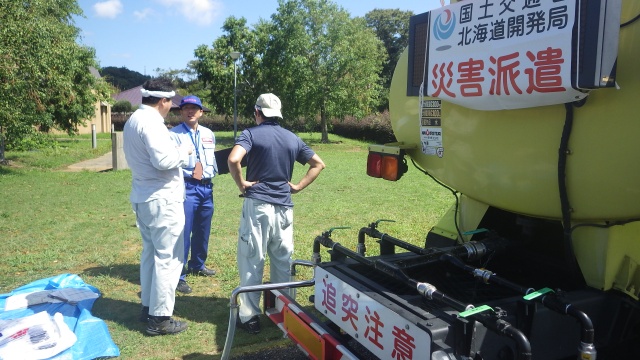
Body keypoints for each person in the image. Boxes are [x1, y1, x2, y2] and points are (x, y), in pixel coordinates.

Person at [227, 93, 326, 334]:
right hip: (284, 207)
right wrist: (298, 186)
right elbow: (318, 164)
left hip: (258, 205)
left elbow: (233, 159)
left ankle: (249, 315)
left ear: (257, 112)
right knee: (283, 260)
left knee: (252, 259)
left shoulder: (250, 134)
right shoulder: (292, 138)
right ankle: (286, 310)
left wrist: (242, 184)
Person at [123, 78, 192, 336]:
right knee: (169, 258)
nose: (170, 107)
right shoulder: (152, 123)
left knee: (151, 255)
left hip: (144, 197)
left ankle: (148, 308)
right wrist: (183, 150)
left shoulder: (133, 120)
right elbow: (163, 160)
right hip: (163, 199)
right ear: (162, 100)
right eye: (169, 103)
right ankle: (160, 318)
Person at [170, 95, 217, 294]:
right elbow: (171, 164)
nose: (190, 111)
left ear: (201, 112)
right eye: (186, 108)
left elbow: (211, 158)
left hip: (207, 187)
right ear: (181, 112)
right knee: (183, 231)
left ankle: (197, 264)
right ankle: (178, 275)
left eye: (194, 108)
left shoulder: (209, 134)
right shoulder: (173, 135)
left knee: (203, 228)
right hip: (187, 187)